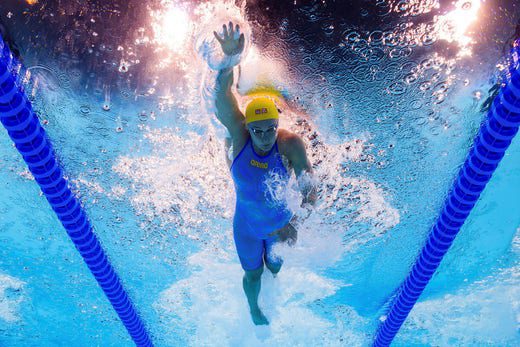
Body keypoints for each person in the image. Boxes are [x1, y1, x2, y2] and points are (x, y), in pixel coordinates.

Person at [212, 21, 317, 325]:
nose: (263, 136)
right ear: (247, 126)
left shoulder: (290, 144)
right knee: (252, 274)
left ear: (277, 125)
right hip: (244, 225)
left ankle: (273, 285)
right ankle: (254, 309)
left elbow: (310, 187)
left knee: (274, 268)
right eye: (256, 130)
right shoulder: (239, 136)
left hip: (279, 226)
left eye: (270, 128)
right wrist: (229, 60)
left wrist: (298, 220)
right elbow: (222, 100)